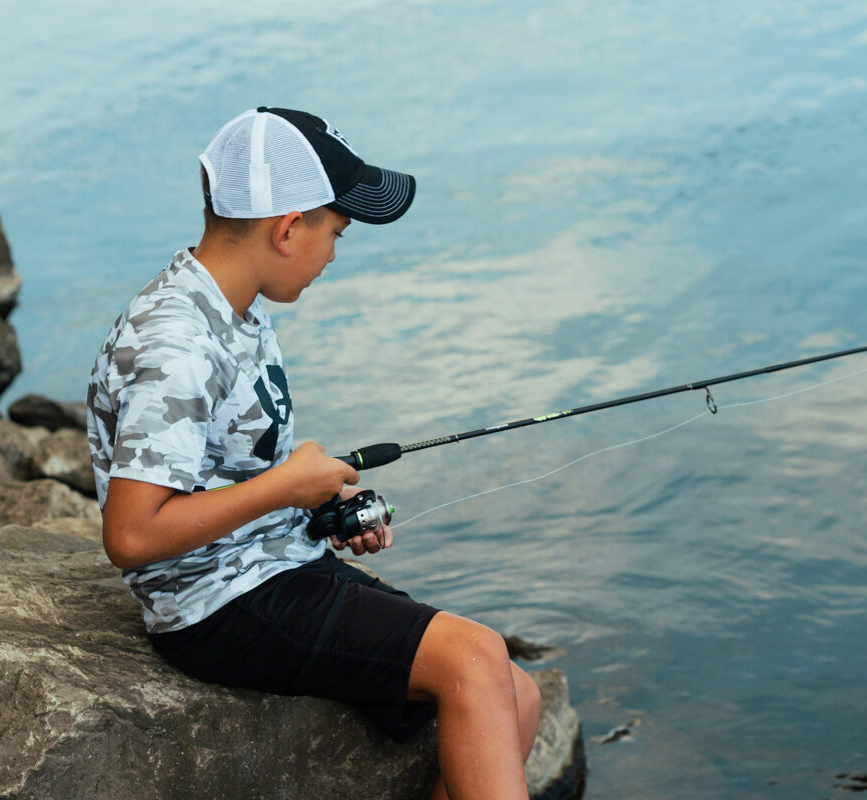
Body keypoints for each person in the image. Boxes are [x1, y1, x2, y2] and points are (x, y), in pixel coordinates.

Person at [86, 107, 540, 800]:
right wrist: (283, 487)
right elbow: (131, 534)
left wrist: (318, 501)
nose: (336, 251)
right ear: (288, 228)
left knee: (519, 696)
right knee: (476, 657)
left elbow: (223, 470)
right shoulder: (177, 342)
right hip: (216, 600)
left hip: (274, 562)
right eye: (337, 230)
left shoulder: (235, 305)